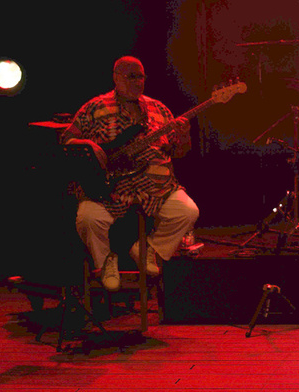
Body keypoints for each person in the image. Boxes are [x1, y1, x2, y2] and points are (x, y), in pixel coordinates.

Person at [61, 56, 199, 291]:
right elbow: (66, 139)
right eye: (131, 76)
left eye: (141, 76)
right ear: (116, 77)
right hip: (109, 187)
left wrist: (184, 134)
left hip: (156, 188)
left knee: (187, 211)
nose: (138, 82)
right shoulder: (95, 107)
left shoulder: (159, 109)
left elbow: (180, 152)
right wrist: (89, 144)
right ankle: (105, 262)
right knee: (87, 219)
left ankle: (148, 251)